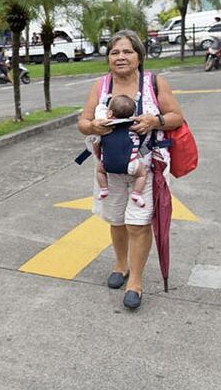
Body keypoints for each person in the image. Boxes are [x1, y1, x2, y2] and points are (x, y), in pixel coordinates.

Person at [78, 29, 185, 310]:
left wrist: (154, 121)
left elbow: (176, 117)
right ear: (108, 58)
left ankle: (135, 280)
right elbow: (83, 123)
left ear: (139, 56)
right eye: (115, 52)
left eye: (127, 51)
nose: (121, 57)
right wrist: (94, 127)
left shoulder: (154, 82)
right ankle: (120, 264)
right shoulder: (101, 86)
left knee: (138, 223)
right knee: (116, 220)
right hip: (109, 167)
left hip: (146, 167)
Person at [92, 95, 149, 207]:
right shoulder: (133, 126)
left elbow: (96, 145)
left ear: (109, 113)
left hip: (107, 165)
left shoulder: (104, 128)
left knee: (99, 171)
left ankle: (104, 189)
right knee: (142, 174)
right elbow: (142, 140)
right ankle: (137, 194)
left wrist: (98, 155)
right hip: (131, 164)